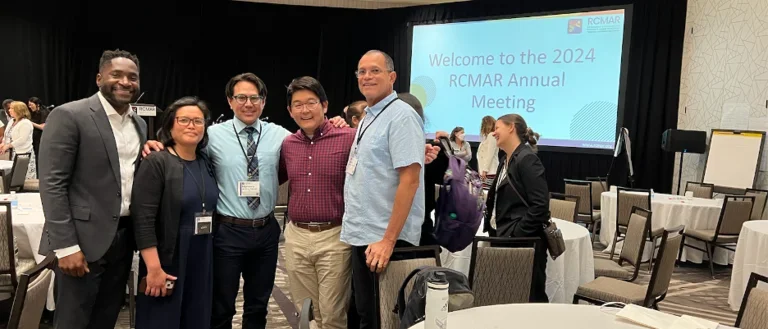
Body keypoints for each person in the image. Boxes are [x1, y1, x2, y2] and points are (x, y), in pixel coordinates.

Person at [142, 73, 348, 329]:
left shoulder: (281, 136)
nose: (248, 103)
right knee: (222, 304)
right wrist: (156, 143)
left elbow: (308, 142)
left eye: (254, 97)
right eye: (241, 97)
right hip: (227, 231)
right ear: (230, 101)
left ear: (263, 102)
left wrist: (337, 121)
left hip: (266, 232)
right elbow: (183, 147)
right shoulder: (212, 135)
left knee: (258, 304)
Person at [38, 49, 146, 328]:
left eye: (132, 77)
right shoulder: (70, 115)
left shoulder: (140, 124)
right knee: (73, 321)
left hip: (123, 240)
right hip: (81, 243)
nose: (125, 82)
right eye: (117, 75)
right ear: (99, 78)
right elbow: (52, 184)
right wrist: (65, 247)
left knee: (106, 318)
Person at [342, 50, 425, 329]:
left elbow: (410, 180)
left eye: (374, 70)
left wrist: (388, 240)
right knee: (367, 315)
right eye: (361, 71)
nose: (367, 76)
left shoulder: (401, 116)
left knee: (383, 319)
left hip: (385, 240)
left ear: (392, 77)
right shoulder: (368, 116)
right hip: (364, 234)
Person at [132, 96, 218, 329]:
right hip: (168, 256)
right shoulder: (156, 162)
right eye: (184, 120)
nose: (192, 126)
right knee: (162, 320)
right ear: (170, 124)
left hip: (202, 255)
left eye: (198, 121)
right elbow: (143, 220)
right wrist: (154, 268)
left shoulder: (205, 161)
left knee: (197, 318)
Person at [279, 76, 354, 329]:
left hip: (334, 236)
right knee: (306, 313)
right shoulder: (288, 144)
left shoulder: (348, 138)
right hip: (296, 237)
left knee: (332, 314)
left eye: (311, 102)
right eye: (297, 104)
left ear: (324, 105)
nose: (305, 109)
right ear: (290, 111)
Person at [484, 113, 549, 302]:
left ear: (511, 127)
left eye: (497, 128)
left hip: (524, 245)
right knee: (508, 297)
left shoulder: (527, 159)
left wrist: (516, 234)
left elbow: (540, 206)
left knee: (530, 299)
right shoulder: (506, 160)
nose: (493, 133)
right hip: (503, 239)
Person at [1, 101, 36, 178]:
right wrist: (3, 143)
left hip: (24, 154)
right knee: (15, 177)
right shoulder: (11, 121)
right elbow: (7, 135)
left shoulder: (25, 123)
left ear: (18, 110)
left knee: (24, 178)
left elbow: (22, 139)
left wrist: (8, 145)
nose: (9, 110)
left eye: (11, 108)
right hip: (14, 153)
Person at [477, 115, 499, 187]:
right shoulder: (487, 137)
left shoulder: (491, 136)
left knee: (487, 193)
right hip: (485, 172)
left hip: (489, 171)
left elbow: (490, 154)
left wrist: (485, 170)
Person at [28, 97, 48, 174]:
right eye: (28, 105)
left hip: (41, 139)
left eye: (31, 105)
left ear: (37, 105)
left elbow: (42, 127)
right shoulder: (33, 112)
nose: (29, 107)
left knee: (40, 157)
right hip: (34, 139)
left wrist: (29, 122)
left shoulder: (44, 112)